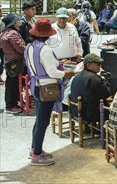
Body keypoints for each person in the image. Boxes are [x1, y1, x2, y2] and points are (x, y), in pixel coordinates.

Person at [24, 18, 76, 165]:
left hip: (36, 85)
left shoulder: (30, 47)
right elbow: (52, 72)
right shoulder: (45, 49)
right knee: (43, 122)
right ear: (47, 35)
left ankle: (35, 148)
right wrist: (67, 73)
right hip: (47, 88)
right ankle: (37, 155)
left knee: (39, 120)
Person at [69, 53, 112, 125]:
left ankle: (88, 128)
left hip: (75, 110)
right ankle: (103, 130)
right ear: (88, 65)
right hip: (88, 114)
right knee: (109, 107)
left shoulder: (78, 75)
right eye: (98, 64)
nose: (100, 66)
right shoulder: (94, 78)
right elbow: (107, 94)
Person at [1, 13, 26, 114]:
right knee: (13, 84)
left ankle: (12, 103)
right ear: (14, 22)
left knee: (11, 84)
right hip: (15, 62)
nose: (19, 22)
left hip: (8, 61)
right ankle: (11, 106)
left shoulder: (4, 33)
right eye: (17, 20)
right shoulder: (12, 33)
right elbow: (20, 48)